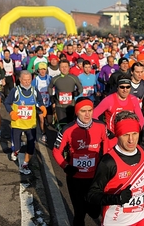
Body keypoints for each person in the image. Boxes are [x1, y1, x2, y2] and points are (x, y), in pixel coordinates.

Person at [87, 111, 144, 226]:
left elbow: (142, 175)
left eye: (135, 134)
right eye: (125, 135)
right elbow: (92, 195)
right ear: (117, 134)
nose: (131, 140)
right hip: (117, 221)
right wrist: (116, 198)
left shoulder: (143, 151)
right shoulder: (108, 162)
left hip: (142, 216)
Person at [53, 97, 108, 226]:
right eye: (83, 111)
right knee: (79, 213)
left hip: (94, 178)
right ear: (77, 112)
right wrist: (66, 166)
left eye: (90, 110)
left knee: (95, 212)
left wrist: (105, 163)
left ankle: (88, 206)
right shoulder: (67, 129)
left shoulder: (101, 126)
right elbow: (56, 151)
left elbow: (107, 143)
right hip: (75, 178)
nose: (87, 114)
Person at [4, 70, 46, 174]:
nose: (27, 82)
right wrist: (11, 112)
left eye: (29, 80)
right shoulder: (15, 91)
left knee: (31, 145)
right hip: (17, 123)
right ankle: (15, 151)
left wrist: (42, 107)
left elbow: (39, 101)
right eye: (24, 80)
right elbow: (7, 102)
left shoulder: (34, 90)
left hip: (30, 124)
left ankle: (25, 164)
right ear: (20, 80)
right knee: (17, 146)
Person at [93, 76, 144, 151]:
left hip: (127, 138)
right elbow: (94, 115)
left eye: (128, 87)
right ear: (117, 87)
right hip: (112, 138)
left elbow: (141, 119)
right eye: (122, 87)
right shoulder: (109, 100)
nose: (125, 90)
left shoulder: (134, 100)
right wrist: (104, 131)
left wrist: (134, 132)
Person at [48, 59, 83, 125]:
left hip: (71, 106)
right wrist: (51, 96)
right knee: (62, 125)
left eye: (66, 67)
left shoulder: (74, 78)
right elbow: (49, 87)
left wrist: (77, 93)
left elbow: (80, 88)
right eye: (62, 67)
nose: (64, 69)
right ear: (59, 68)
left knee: (71, 124)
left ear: (69, 67)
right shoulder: (55, 79)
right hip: (59, 106)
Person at [32, 62, 53, 142]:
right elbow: (32, 90)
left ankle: (47, 125)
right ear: (38, 70)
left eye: (44, 69)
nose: (42, 71)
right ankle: (43, 133)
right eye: (41, 69)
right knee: (41, 120)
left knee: (49, 120)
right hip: (40, 104)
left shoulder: (50, 78)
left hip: (48, 103)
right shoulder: (35, 80)